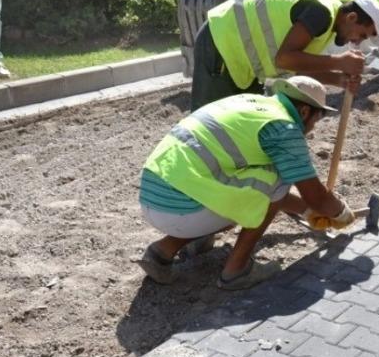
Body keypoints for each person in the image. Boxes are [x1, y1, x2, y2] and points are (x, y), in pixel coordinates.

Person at [136, 75, 356, 289]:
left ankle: (162, 252)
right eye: (316, 121)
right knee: (277, 175)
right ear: (304, 111)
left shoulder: (251, 105)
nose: (313, 129)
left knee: (251, 185)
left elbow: (277, 195)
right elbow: (313, 195)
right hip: (180, 206)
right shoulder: (284, 127)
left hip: (154, 193)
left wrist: (307, 211)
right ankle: (236, 270)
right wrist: (340, 213)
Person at [191, 0, 379, 111]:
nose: (357, 42)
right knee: (209, 127)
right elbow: (284, 59)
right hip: (221, 41)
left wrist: (338, 79)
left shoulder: (327, 25)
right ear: (351, 18)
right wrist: (339, 62)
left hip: (236, 54)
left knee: (241, 124)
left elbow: (297, 68)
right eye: (362, 34)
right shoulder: (321, 14)